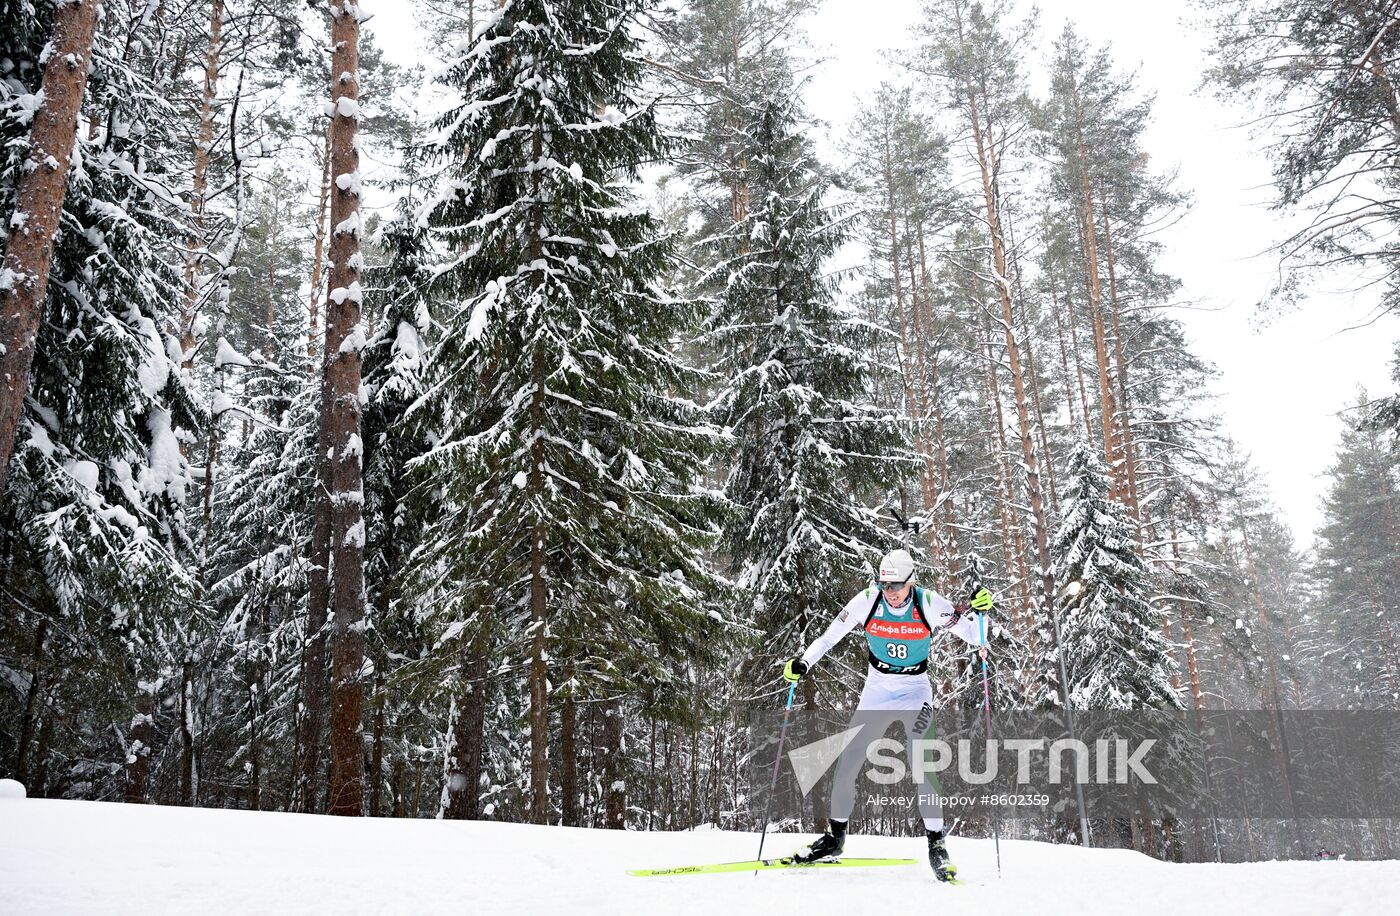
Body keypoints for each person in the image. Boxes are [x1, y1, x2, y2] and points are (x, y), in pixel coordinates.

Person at [781, 548, 992, 882]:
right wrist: (803, 662)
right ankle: (835, 838)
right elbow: (828, 637)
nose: (890, 592)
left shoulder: (929, 602)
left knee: (923, 761)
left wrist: (981, 612)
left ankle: (937, 845)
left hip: (916, 691)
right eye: (885, 585)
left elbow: (976, 637)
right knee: (848, 760)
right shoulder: (867, 600)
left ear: (911, 581)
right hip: (877, 690)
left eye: (896, 585)